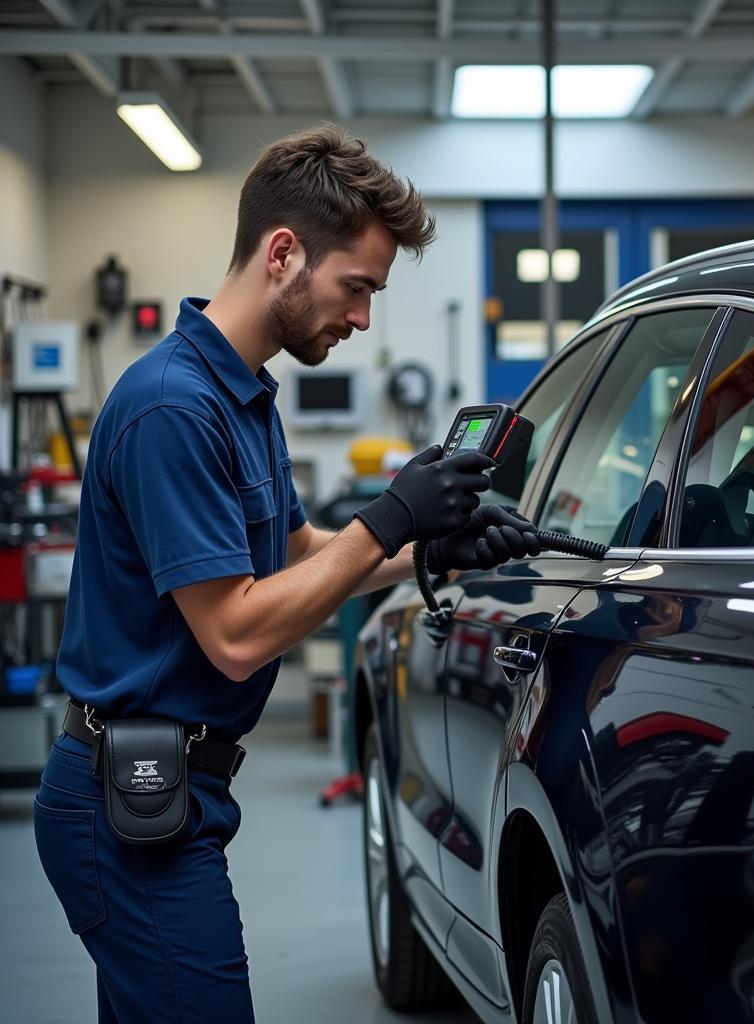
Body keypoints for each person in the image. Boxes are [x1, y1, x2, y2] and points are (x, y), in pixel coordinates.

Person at [33, 124, 541, 1023]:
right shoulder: (171, 409)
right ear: (282, 253)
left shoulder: (242, 391)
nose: (362, 319)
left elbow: (298, 555)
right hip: (128, 807)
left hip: (181, 789)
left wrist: (432, 548)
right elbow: (234, 635)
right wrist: (388, 516)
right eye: (357, 288)